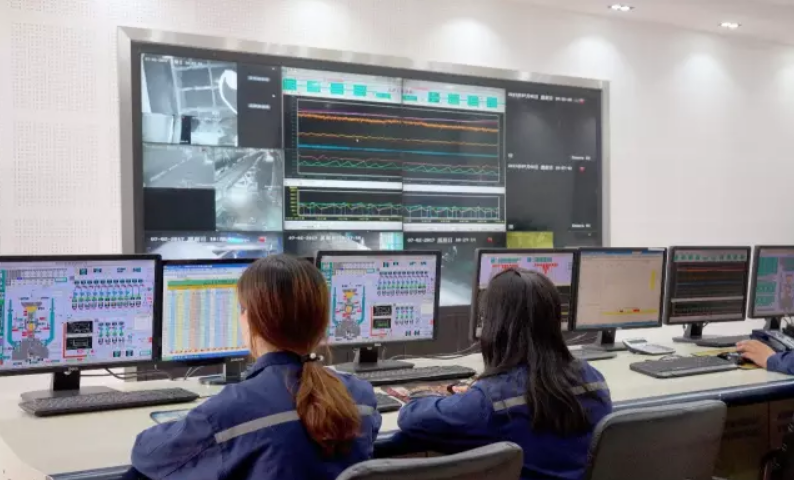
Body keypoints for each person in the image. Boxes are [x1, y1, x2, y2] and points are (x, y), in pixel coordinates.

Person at [131, 255, 381, 480]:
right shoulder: (361, 396)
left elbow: (148, 454)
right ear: (321, 321)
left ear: (250, 318)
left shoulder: (229, 410)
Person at [398, 268, 612, 480]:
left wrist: (425, 395)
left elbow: (412, 419)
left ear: (495, 325)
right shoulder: (593, 379)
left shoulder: (492, 399)